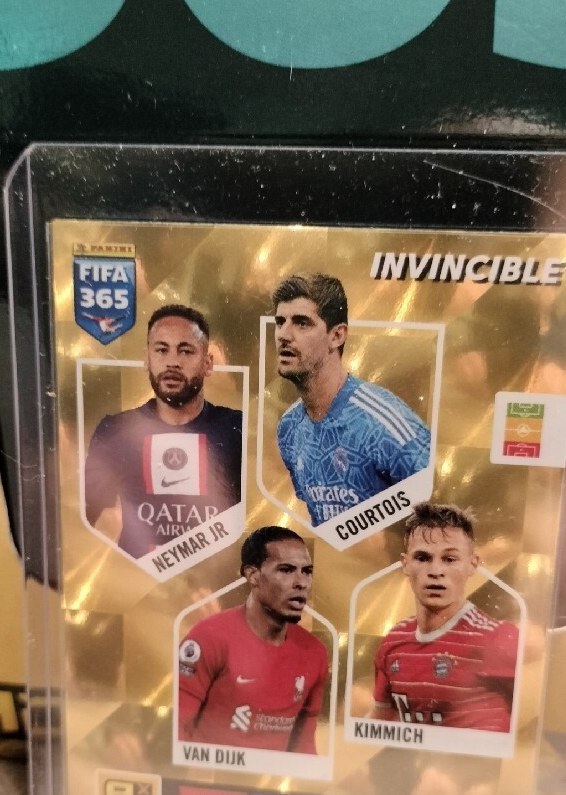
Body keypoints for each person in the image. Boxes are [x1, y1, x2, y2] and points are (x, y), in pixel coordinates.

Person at [84, 305, 243, 557]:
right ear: (147, 359)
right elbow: (87, 521)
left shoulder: (239, 430)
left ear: (208, 364)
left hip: (215, 580)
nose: (172, 362)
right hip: (135, 579)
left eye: (186, 351)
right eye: (161, 350)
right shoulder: (115, 431)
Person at [272, 273, 430, 525]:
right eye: (280, 322)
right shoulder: (289, 429)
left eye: (301, 323)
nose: (284, 335)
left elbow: (439, 510)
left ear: (337, 336)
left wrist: (386, 544)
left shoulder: (383, 423)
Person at [178, 526, 329, 753]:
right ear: (253, 575)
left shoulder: (315, 653)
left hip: (272, 776)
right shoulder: (208, 638)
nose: (301, 582)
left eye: (307, 571)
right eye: (286, 570)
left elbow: (304, 747)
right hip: (210, 773)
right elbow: (177, 729)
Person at [371, 503, 518, 732]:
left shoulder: (499, 638)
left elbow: (528, 736)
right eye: (422, 558)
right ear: (405, 564)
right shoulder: (393, 641)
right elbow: (378, 723)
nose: (435, 571)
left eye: (449, 559)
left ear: (472, 564)